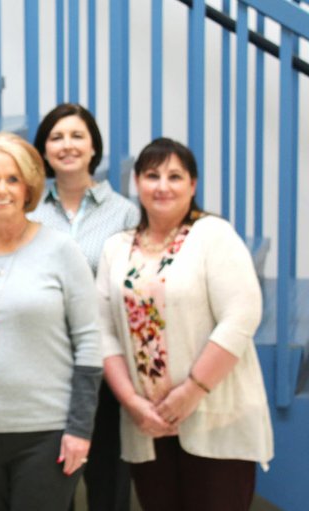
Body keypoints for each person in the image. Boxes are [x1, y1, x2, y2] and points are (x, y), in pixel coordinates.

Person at [97, 138, 273, 511]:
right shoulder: (117, 247)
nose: (162, 186)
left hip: (212, 414)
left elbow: (242, 315)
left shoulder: (214, 236)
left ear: (192, 186)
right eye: (152, 175)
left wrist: (191, 391)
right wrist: (130, 401)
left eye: (175, 176)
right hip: (146, 422)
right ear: (137, 184)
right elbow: (103, 331)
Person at [0, 132, 103, 511]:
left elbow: (89, 341)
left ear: (29, 186)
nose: (2, 190)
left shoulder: (62, 250)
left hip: (46, 431)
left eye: (13, 179)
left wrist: (80, 430)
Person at [27, 103, 139, 511]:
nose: (67, 145)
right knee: (53, 485)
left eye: (77, 136)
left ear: (94, 147)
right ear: (43, 149)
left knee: (108, 482)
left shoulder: (125, 212)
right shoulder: (28, 211)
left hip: (106, 365)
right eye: (56, 137)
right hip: (47, 368)